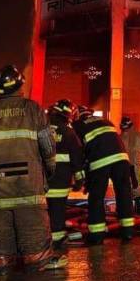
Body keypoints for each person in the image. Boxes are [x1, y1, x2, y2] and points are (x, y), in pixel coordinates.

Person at [0, 65, 67, 273]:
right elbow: (47, 145)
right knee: (31, 218)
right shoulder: (32, 109)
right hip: (27, 179)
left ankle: (1, 260)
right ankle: (37, 257)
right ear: (20, 85)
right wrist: (48, 170)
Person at [73, 106, 134, 245]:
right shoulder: (106, 121)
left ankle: (97, 235)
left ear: (77, 115)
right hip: (122, 160)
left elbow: (79, 153)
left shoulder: (77, 125)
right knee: (124, 195)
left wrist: (84, 178)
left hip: (100, 162)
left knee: (96, 197)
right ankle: (128, 231)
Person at [46, 99, 85, 249]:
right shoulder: (68, 132)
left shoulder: (40, 128)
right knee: (58, 210)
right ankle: (57, 241)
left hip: (41, 181)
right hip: (60, 180)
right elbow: (77, 157)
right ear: (68, 114)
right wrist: (80, 180)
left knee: (43, 211)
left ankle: (42, 238)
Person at [120, 116, 140, 213]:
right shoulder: (138, 135)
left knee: (125, 185)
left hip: (122, 165)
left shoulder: (119, 137)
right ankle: (137, 205)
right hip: (133, 165)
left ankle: (125, 206)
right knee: (135, 183)